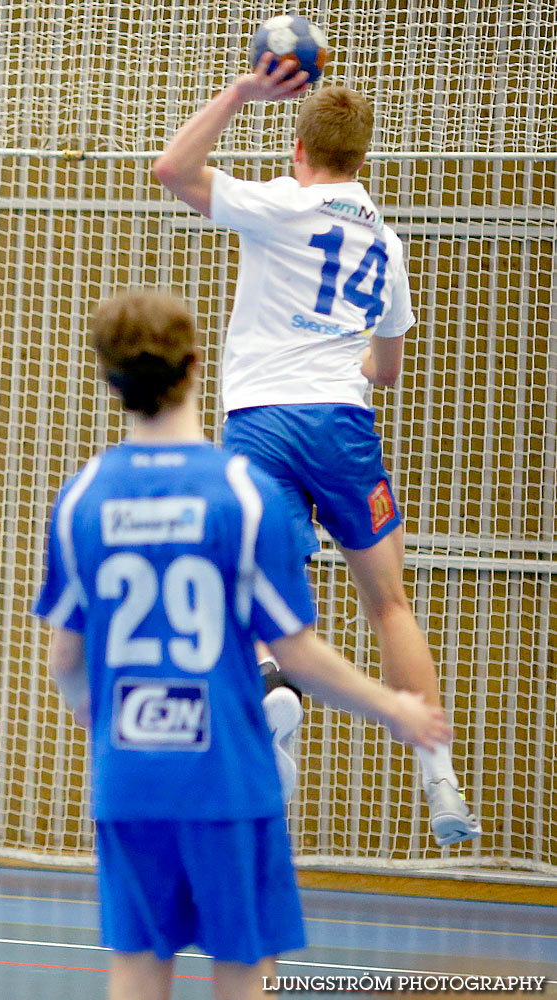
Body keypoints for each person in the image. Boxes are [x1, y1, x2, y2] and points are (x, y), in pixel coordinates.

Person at [33, 288, 451, 1000]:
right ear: (198, 366)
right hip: (225, 771)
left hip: (129, 772)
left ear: (108, 381)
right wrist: (393, 706)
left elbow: (66, 662)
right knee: (244, 963)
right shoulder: (243, 491)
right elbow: (296, 655)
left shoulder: (82, 498)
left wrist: (92, 715)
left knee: (137, 963)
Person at [150, 56, 480, 845]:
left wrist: (238, 90)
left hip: (261, 421)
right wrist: (343, 357)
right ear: (361, 159)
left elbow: (170, 167)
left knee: (261, 586)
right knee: (388, 602)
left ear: (297, 149)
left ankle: (275, 701)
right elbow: (387, 367)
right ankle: (440, 780)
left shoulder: (279, 206)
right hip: (341, 424)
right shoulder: (387, 244)